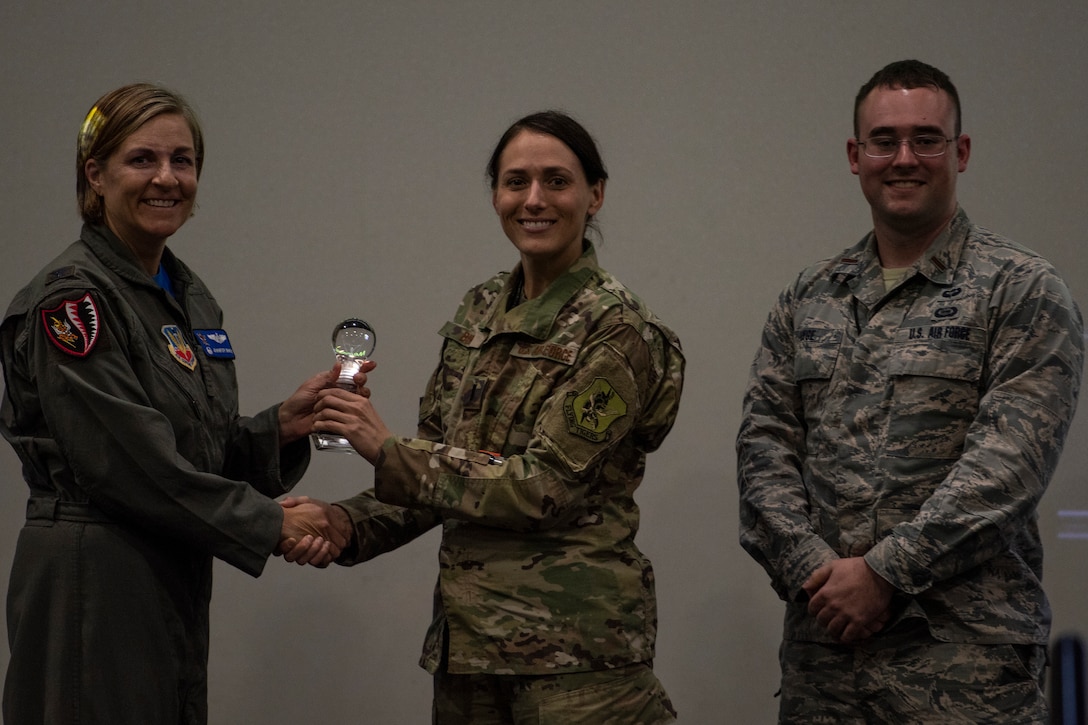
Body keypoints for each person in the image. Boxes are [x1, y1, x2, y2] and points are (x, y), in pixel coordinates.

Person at [283, 110, 685, 724]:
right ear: (495, 194)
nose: (533, 200)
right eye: (514, 181)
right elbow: (441, 470)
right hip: (469, 657)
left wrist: (390, 452)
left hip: (576, 667)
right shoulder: (480, 312)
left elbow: (542, 487)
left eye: (557, 181)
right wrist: (344, 524)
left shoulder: (618, 330)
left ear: (595, 195)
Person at [736, 59, 1084, 723]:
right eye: (883, 140)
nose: (904, 157)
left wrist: (885, 574)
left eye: (926, 139)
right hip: (826, 663)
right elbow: (763, 451)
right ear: (853, 154)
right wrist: (817, 572)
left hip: (963, 671)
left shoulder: (1022, 290)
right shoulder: (809, 296)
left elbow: (1008, 467)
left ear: (962, 151)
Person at [0, 83, 347, 724]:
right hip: (93, 576)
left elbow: (191, 450)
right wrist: (272, 524)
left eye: (182, 161)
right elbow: (128, 465)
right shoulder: (73, 301)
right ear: (95, 174)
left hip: (167, 565)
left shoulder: (185, 294)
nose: (167, 178)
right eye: (142, 160)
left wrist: (279, 430)